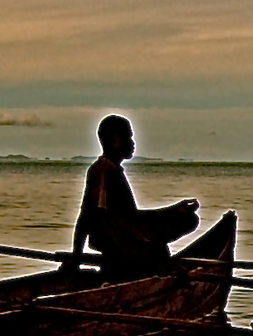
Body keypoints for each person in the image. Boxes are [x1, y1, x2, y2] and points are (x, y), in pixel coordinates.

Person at [66, 115, 199, 280]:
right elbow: (88, 216)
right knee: (186, 220)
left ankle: (159, 264)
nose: (133, 143)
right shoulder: (103, 170)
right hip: (122, 242)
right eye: (128, 137)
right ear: (114, 139)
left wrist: (173, 210)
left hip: (128, 235)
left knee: (187, 218)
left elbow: (131, 216)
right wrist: (76, 257)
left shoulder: (111, 169)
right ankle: (157, 266)